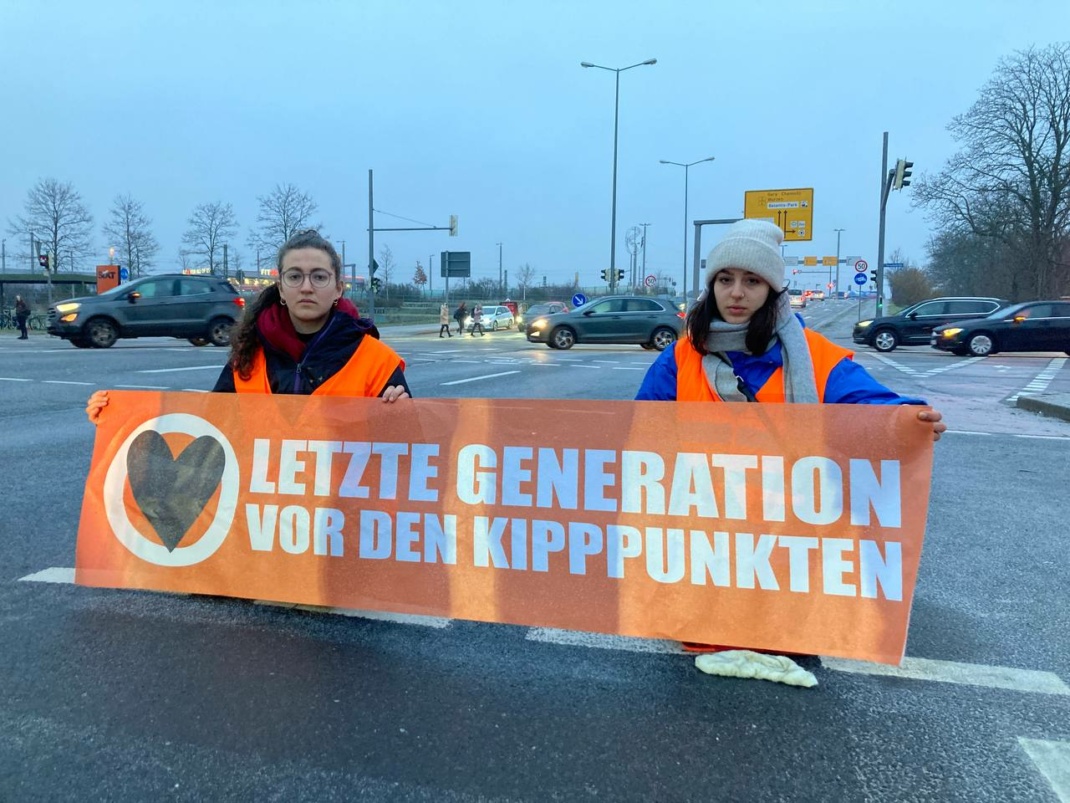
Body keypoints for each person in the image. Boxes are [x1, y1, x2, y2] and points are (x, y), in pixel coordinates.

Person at [635, 219, 946, 654]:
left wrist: (907, 420)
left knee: (779, 654)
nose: (736, 293)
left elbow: (867, 403)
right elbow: (643, 429)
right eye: (725, 279)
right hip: (709, 543)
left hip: (787, 544)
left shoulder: (814, 355)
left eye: (752, 280)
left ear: (772, 289)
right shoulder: (680, 356)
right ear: (712, 286)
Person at [87, 229, 410, 424]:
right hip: (262, 515)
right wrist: (119, 416)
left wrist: (404, 415)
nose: (306, 287)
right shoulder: (249, 356)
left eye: (319, 276)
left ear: (338, 288)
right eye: (294, 276)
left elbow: (408, 457)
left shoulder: (376, 362)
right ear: (281, 288)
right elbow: (209, 430)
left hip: (338, 512)